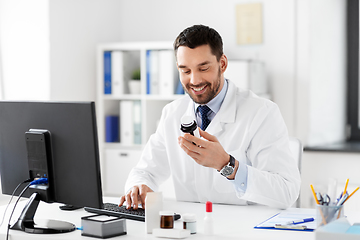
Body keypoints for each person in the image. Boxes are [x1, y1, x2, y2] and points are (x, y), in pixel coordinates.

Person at [119, 24, 301, 210]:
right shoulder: (172, 113)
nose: (194, 80)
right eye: (186, 71)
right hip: (188, 229)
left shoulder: (262, 112)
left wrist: (226, 165)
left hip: (243, 228)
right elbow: (145, 171)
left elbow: (286, 192)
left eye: (203, 68)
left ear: (222, 64)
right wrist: (137, 186)